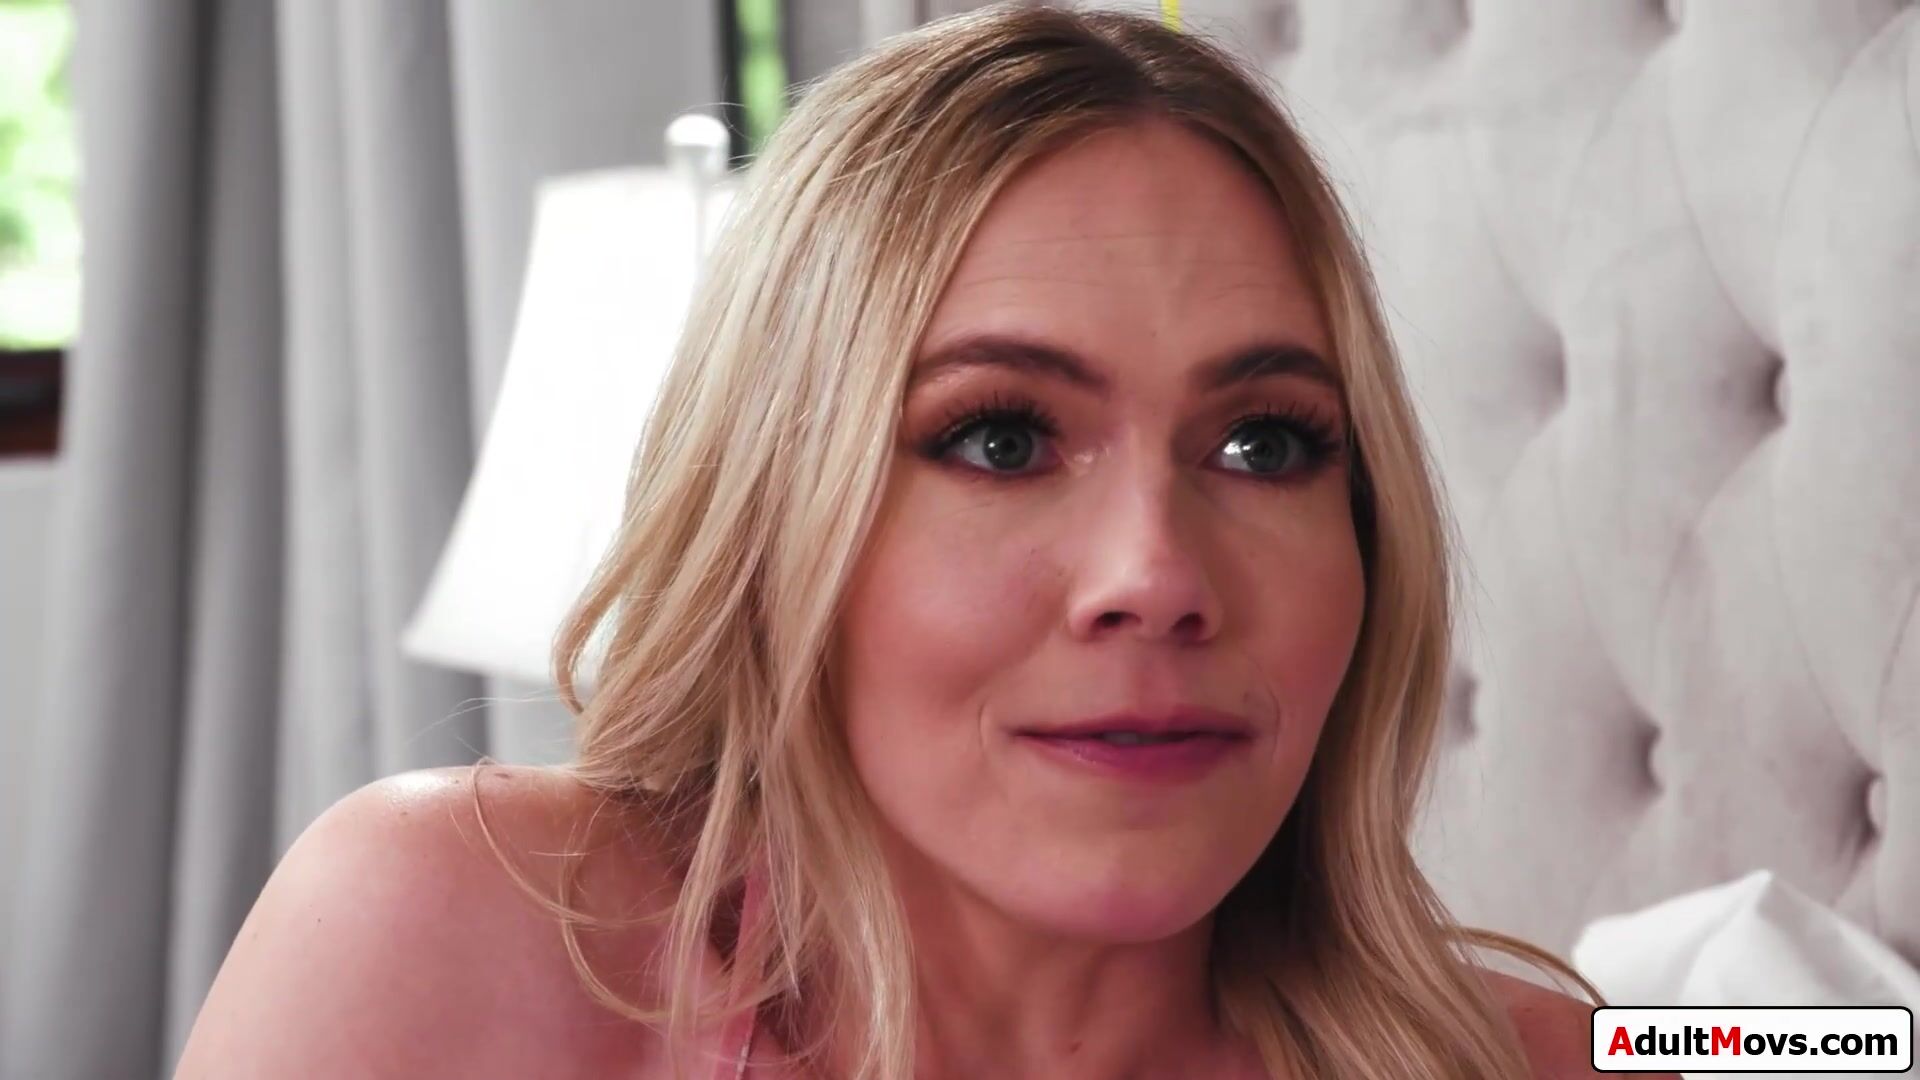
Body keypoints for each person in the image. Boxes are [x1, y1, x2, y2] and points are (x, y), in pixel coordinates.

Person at [176, 6, 1677, 1078]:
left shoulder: (1529, 1048)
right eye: (1000, 439)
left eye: (1265, 445)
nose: (1156, 576)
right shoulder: (459, 925)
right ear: (777, 516)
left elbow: (1779, 1040)